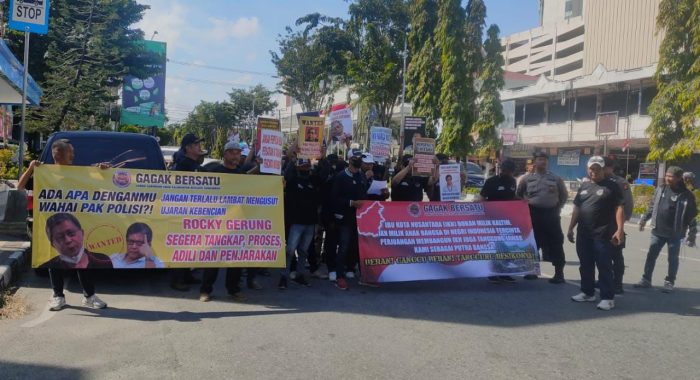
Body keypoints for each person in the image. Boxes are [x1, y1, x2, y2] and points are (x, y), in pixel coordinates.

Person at [18, 139, 110, 311]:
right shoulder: (44, 173)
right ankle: (58, 296)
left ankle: (89, 296)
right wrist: (31, 168)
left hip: (74, 224)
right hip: (52, 228)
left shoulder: (80, 174)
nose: (73, 156)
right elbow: (20, 186)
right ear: (59, 154)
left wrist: (102, 172)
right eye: (70, 152)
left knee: (82, 260)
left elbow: (102, 188)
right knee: (53, 263)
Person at [567, 156, 625, 311]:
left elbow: (619, 208)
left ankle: (608, 298)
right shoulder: (584, 186)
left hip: (603, 233)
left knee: (604, 265)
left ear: (603, 169)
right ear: (588, 169)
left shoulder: (612, 186)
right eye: (591, 168)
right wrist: (571, 227)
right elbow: (577, 209)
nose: (594, 171)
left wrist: (620, 229)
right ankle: (587, 292)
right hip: (584, 233)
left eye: (597, 168)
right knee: (585, 264)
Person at [198, 141, 251, 302]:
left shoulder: (241, 174)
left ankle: (233, 290)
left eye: (238, 153)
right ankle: (205, 291)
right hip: (217, 223)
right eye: (233, 152)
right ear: (225, 153)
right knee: (213, 259)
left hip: (236, 222)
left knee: (235, 259)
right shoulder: (214, 171)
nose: (236, 155)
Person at [635, 166, 697, 293]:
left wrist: (692, 235)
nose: (668, 178)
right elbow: (652, 206)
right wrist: (643, 220)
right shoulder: (661, 188)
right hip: (658, 230)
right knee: (651, 255)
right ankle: (646, 279)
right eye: (667, 176)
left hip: (675, 232)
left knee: (672, 259)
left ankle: (670, 281)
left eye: (671, 176)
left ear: (679, 178)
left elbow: (691, 216)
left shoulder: (686, 195)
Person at [516, 151, 568, 283]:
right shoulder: (527, 179)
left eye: (545, 160)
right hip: (533, 214)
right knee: (533, 243)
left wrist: (557, 207)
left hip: (551, 214)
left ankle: (559, 273)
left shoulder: (555, 178)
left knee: (556, 243)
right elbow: (519, 194)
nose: (543, 162)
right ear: (534, 162)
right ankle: (532, 271)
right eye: (540, 159)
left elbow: (563, 196)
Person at [170, 133, 205, 291]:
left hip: (189, 209)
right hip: (184, 210)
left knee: (189, 245)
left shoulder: (188, 161)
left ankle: (186, 275)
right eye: (197, 144)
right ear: (188, 148)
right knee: (182, 246)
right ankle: (177, 280)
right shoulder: (186, 163)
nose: (199, 147)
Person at [278, 158, 320, 289]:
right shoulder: (292, 181)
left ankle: (300, 275)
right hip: (296, 222)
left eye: (307, 166)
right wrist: (293, 157)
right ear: (297, 168)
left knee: (303, 251)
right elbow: (286, 174)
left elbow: (323, 174)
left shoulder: (314, 181)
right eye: (302, 166)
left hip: (310, 222)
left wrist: (321, 157)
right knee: (290, 250)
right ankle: (284, 277)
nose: (305, 169)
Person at [329, 154, 367, 290]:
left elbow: (364, 193)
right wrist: (351, 203)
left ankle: (352, 269)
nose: (356, 169)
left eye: (358, 167)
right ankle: (339, 276)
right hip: (344, 217)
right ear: (349, 164)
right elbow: (334, 198)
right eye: (354, 166)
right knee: (343, 246)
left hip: (359, 217)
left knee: (356, 245)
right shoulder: (340, 177)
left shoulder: (361, 176)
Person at [479, 159, 519, 284]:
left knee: (506, 245)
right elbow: (481, 198)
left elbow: (512, 197)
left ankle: (504, 273)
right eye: (505, 170)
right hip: (493, 219)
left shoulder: (513, 181)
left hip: (508, 220)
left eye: (510, 171)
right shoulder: (491, 181)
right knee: (495, 246)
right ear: (501, 170)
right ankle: (492, 273)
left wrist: (523, 201)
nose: (508, 173)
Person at [602, 157, 633, 294]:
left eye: (604, 168)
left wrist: (620, 225)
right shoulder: (596, 181)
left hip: (615, 224)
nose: (601, 170)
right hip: (599, 225)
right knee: (601, 255)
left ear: (610, 168)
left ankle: (618, 283)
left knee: (616, 255)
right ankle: (603, 280)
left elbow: (628, 205)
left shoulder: (620, 183)